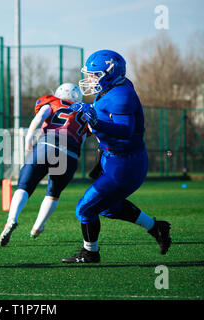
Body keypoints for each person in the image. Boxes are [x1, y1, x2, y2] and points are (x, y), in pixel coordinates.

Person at [62, 50, 171, 263]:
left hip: (124, 163)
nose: (90, 79)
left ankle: (90, 253)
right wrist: (90, 111)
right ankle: (156, 228)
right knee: (108, 208)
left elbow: (125, 129)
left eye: (95, 75)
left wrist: (95, 121)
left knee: (85, 208)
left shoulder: (122, 95)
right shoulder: (112, 88)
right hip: (112, 158)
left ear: (110, 74)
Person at [0, 83, 92, 246]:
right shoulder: (84, 113)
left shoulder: (53, 102)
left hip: (46, 145)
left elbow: (39, 118)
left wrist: (29, 137)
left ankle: (11, 219)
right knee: (53, 193)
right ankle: (38, 226)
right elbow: (83, 139)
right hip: (69, 153)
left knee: (24, 186)